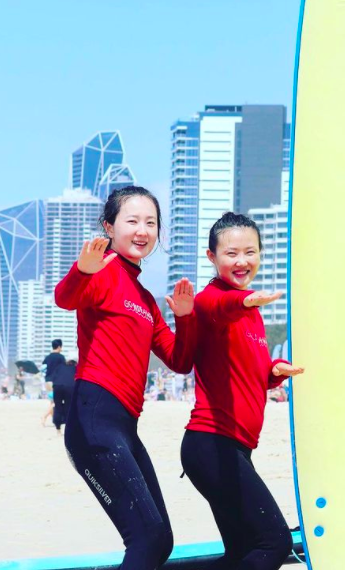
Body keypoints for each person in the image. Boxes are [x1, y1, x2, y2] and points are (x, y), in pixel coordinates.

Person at [54, 186, 198, 570]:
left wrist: (184, 317)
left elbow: (179, 360)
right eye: (131, 220)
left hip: (124, 427)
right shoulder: (101, 273)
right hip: (94, 419)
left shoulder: (146, 300)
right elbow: (65, 298)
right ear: (109, 226)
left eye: (150, 222)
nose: (142, 230)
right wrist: (82, 269)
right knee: (147, 538)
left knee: (160, 540)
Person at [180, 212, 304, 570]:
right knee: (274, 543)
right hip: (211, 444)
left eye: (250, 252)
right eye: (231, 253)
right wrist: (245, 301)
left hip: (234, 447)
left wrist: (275, 372)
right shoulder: (210, 301)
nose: (241, 261)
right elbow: (219, 307)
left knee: (241, 551)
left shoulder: (253, 315)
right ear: (212, 257)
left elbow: (249, 371)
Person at [41, 339, 65, 426]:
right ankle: (44, 416)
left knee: (52, 401)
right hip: (55, 381)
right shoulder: (61, 357)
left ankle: (53, 420)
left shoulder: (47, 357)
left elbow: (43, 369)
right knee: (56, 402)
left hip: (47, 381)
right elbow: (63, 370)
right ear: (59, 347)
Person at [52, 358, 77, 432]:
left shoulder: (59, 367)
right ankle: (67, 427)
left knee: (57, 406)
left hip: (57, 386)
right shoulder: (76, 368)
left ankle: (58, 428)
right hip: (70, 387)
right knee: (68, 407)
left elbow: (54, 377)